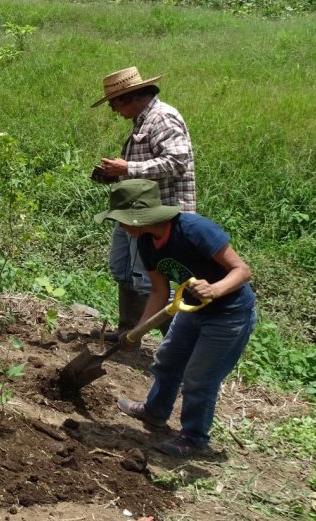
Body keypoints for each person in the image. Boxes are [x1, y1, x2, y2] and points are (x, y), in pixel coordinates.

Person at [95, 179, 255, 458]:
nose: (120, 226)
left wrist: (214, 289)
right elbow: (159, 292)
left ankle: (194, 437)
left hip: (228, 315)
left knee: (199, 378)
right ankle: (155, 411)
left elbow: (242, 270)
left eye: (121, 219)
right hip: (190, 309)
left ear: (139, 217)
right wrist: (138, 331)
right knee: (167, 359)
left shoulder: (195, 230)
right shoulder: (146, 242)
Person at [91, 67, 196, 342]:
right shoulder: (143, 121)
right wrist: (116, 173)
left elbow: (177, 162)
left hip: (158, 215)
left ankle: (176, 343)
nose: (114, 111)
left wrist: (129, 167)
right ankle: (128, 331)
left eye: (114, 103)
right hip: (133, 213)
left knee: (149, 280)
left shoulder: (163, 118)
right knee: (123, 269)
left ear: (130, 98)